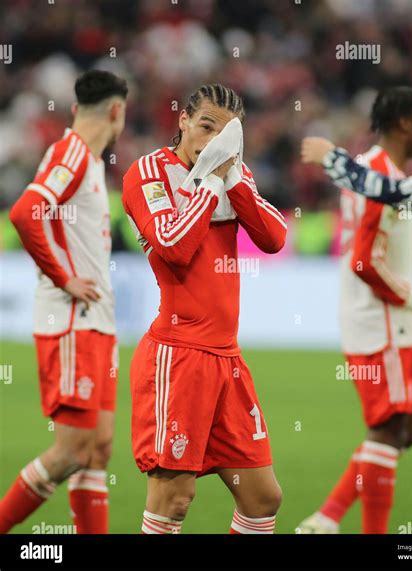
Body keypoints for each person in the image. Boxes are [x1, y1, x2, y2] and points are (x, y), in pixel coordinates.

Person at [299, 100, 412, 533]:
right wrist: (409, 298)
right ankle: (336, 517)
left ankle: (328, 515)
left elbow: (390, 198)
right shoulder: (388, 174)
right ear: (404, 124)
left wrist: (331, 157)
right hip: (381, 320)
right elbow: (364, 258)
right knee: (391, 429)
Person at [122, 83, 287, 534]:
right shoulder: (148, 173)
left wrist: (232, 177)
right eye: (205, 126)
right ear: (183, 121)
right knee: (174, 499)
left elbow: (274, 239)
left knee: (262, 498)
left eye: (225, 132)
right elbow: (172, 246)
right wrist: (213, 182)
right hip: (178, 356)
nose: (212, 139)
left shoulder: (234, 172)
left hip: (227, 361)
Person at [0, 70, 128, 534]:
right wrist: (65, 278)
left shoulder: (89, 160)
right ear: (117, 112)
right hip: (73, 321)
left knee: (97, 450)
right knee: (71, 451)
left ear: (77, 109)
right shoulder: (71, 153)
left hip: (98, 322)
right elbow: (24, 212)